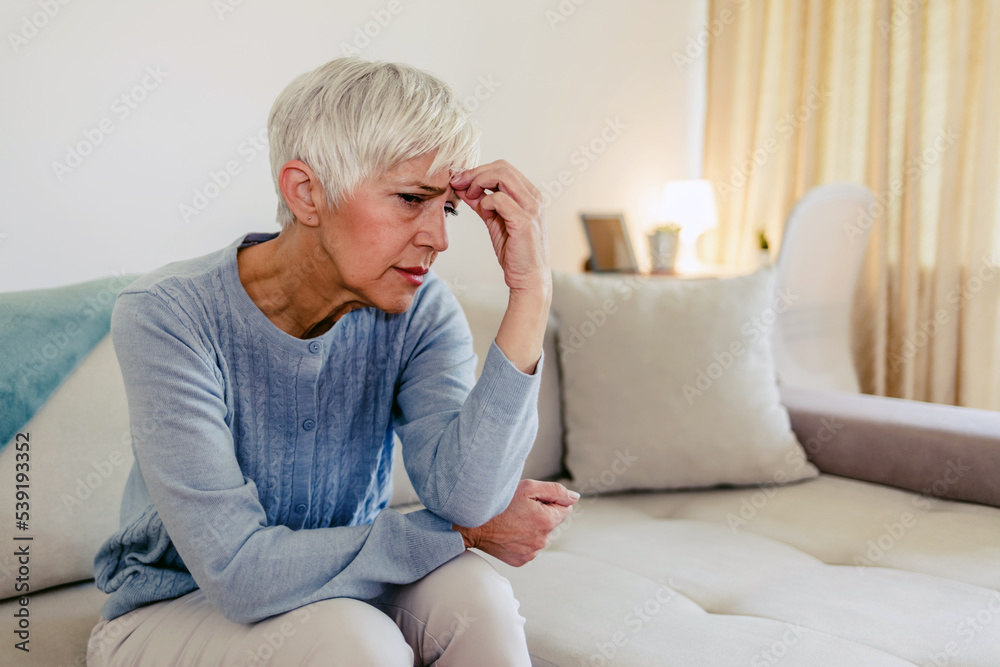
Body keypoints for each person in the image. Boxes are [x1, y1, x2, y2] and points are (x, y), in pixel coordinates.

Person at [86, 56, 578, 666]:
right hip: (175, 608)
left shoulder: (421, 309)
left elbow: (467, 495)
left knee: (481, 596)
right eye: (409, 199)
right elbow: (238, 573)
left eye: (445, 207)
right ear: (307, 192)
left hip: (341, 584)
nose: (439, 237)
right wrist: (465, 536)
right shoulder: (168, 316)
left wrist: (531, 291)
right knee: (355, 639)